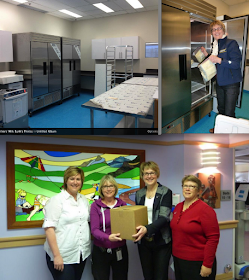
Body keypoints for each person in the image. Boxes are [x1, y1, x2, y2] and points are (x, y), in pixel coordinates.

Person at [42, 166, 91, 280]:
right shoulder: (56, 200)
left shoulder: (83, 200)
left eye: (78, 179)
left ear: (82, 182)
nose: (75, 182)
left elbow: (88, 221)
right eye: (71, 179)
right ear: (66, 181)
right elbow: (49, 229)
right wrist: (56, 256)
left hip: (80, 254)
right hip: (62, 256)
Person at [170, 175, 220, 280]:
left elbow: (213, 238)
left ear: (198, 191)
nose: (187, 189)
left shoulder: (206, 210)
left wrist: (207, 264)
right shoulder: (178, 207)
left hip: (197, 262)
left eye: (192, 186)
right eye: (185, 186)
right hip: (179, 259)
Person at [132, 161, 172, 280]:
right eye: (146, 173)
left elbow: (164, 217)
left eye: (152, 173)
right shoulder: (139, 193)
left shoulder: (165, 192)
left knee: (160, 276)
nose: (149, 176)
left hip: (161, 241)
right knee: (147, 275)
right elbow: (138, 215)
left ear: (157, 174)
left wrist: (147, 229)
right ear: (142, 176)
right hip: (144, 242)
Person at [200, 20, 242, 133]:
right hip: (220, 82)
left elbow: (236, 64)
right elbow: (214, 60)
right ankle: (220, 129)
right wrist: (206, 55)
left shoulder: (231, 43)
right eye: (214, 29)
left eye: (218, 28)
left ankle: (229, 135)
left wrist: (219, 60)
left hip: (231, 84)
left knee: (229, 112)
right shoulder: (216, 45)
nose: (216, 31)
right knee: (221, 109)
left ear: (223, 30)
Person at [90, 174, 128, 280]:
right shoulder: (95, 206)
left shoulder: (122, 205)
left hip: (120, 249)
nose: (108, 189)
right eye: (105, 186)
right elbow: (94, 230)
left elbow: (128, 224)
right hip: (101, 251)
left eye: (111, 186)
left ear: (115, 188)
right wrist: (108, 237)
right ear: (101, 189)